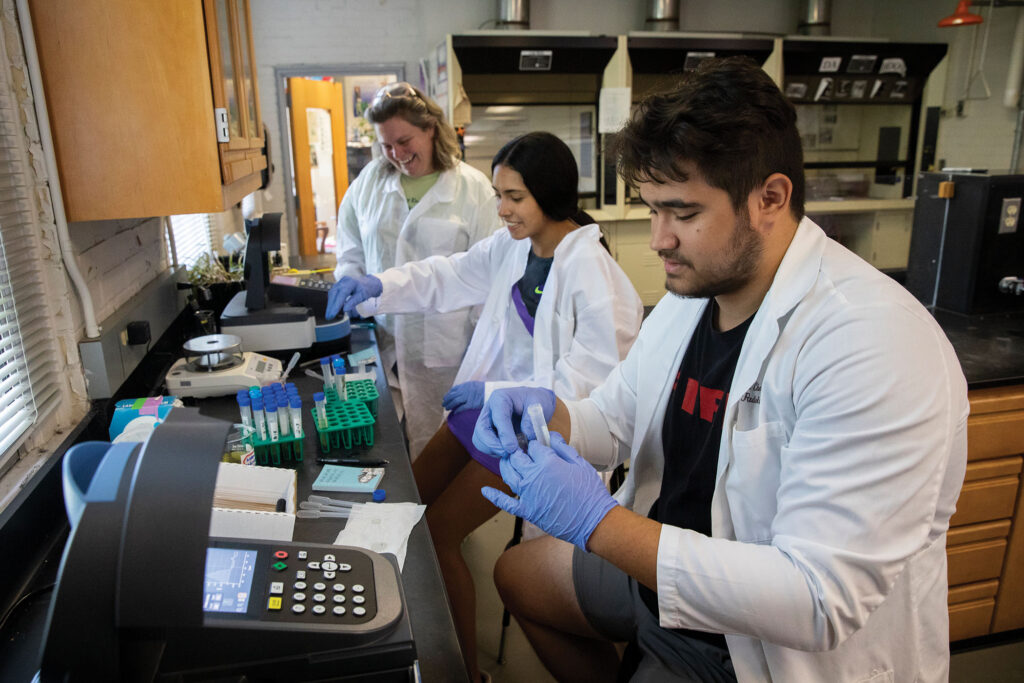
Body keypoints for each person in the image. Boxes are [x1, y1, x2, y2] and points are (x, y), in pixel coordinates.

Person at [473, 58, 969, 683]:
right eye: (652, 210)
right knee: (518, 574)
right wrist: (553, 414)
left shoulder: (870, 342)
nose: (658, 239)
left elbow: (817, 599)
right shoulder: (691, 303)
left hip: (754, 642)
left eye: (682, 214)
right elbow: (615, 418)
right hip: (662, 565)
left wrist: (598, 524)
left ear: (770, 198)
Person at [327, 131, 644, 683]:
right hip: (486, 408)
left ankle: (462, 673)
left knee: (439, 534)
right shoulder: (513, 247)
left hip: (529, 432)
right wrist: (377, 285)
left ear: (551, 195)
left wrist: (500, 396)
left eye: (515, 197)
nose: (501, 209)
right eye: (499, 194)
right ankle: (408, 646)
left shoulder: (596, 277)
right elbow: (449, 274)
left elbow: (593, 388)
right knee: (406, 507)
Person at [332, 81, 501, 459]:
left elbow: (490, 277)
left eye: (404, 141)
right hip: (381, 339)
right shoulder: (368, 185)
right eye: (386, 145)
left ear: (430, 129)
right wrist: (349, 281)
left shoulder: (473, 190)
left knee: (437, 457)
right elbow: (351, 248)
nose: (396, 154)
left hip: (446, 350)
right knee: (386, 453)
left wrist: (482, 355)